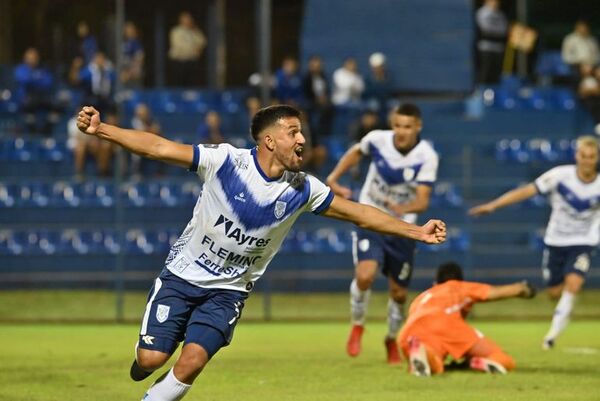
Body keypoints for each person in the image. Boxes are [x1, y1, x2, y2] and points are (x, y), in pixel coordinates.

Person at [75, 103, 446, 401]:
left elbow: (360, 214)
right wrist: (101, 130)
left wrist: (416, 230)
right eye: (293, 132)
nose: (303, 139)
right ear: (269, 141)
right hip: (182, 277)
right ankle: (145, 364)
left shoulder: (304, 188)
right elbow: (158, 147)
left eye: (302, 131)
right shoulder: (224, 162)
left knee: (190, 363)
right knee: (151, 359)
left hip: (228, 292)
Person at [326, 103, 439, 364]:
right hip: (370, 220)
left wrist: (402, 207)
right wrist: (334, 178)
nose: (401, 131)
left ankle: (391, 338)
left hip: (403, 229)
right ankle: (357, 325)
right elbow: (355, 152)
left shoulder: (426, 156)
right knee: (365, 275)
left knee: (399, 294)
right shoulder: (377, 140)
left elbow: (422, 201)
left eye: (408, 127)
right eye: (397, 125)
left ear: (418, 127)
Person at [469, 135, 600, 350]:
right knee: (554, 293)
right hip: (556, 241)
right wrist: (493, 206)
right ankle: (565, 306)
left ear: (597, 158)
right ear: (577, 156)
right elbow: (526, 191)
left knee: (574, 284)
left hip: (584, 242)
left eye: (591, 156)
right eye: (583, 156)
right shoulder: (560, 176)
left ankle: (551, 337)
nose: (587, 161)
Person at [398, 262, 536, 376]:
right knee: (503, 359)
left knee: (434, 360)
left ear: (436, 283)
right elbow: (494, 293)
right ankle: (484, 362)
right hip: (445, 322)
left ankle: (420, 351)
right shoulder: (459, 286)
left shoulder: (421, 297)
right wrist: (524, 289)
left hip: (407, 333)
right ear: (460, 280)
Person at [13, 47, 61, 135]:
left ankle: (47, 128)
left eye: (34, 57)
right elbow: (24, 80)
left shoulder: (43, 69)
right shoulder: (20, 69)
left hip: (42, 97)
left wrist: (34, 80)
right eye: (30, 58)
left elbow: (48, 83)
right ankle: (32, 130)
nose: (32, 60)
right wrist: (37, 79)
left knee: (56, 105)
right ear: (25, 59)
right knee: (28, 104)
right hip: (26, 98)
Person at [168, 11, 206, 87]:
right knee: (178, 84)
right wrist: (193, 49)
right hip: (179, 61)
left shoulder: (195, 31)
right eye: (186, 19)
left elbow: (202, 41)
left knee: (192, 84)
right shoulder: (176, 31)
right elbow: (179, 45)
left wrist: (195, 30)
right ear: (181, 20)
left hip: (191, 61)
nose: (188, 21)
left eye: (189, 19)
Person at [475, 0, 508, 84]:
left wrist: (493, 34)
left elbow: (503, 31)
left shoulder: (501, 15)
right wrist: (495, 34)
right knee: (485, 73)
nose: (495, 3)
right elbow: (483, 30)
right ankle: (482, 93)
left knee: (496, 75)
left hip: (498, 49)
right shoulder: (482, 13)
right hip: (485, 48)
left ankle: (494, 95)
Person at [121, 21, 145, 88]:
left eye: (131, 29)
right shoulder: (123, 42)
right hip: (124, 73)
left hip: (133, 75)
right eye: (127, 29)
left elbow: (140, 59)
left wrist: (129, 73)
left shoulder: (136, 43)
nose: (129, 31)